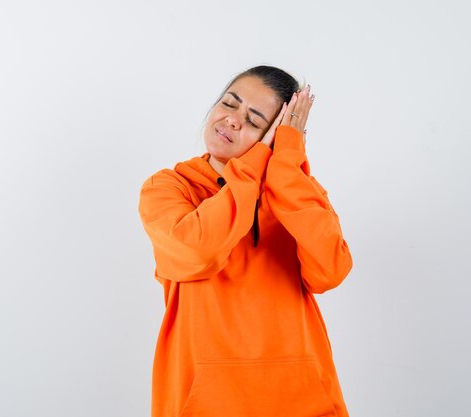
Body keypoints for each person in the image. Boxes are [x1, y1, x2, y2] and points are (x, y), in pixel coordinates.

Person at [138, 65, 353, 417]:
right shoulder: (169, 188)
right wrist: (253, 168)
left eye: (254, 122)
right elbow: (197, 250)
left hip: (304, 403)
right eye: (229, 103)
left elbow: (330, 270)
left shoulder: (295, 191)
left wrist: (285, 164)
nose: (232, 120)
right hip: (203, 405)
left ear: (278, 136)